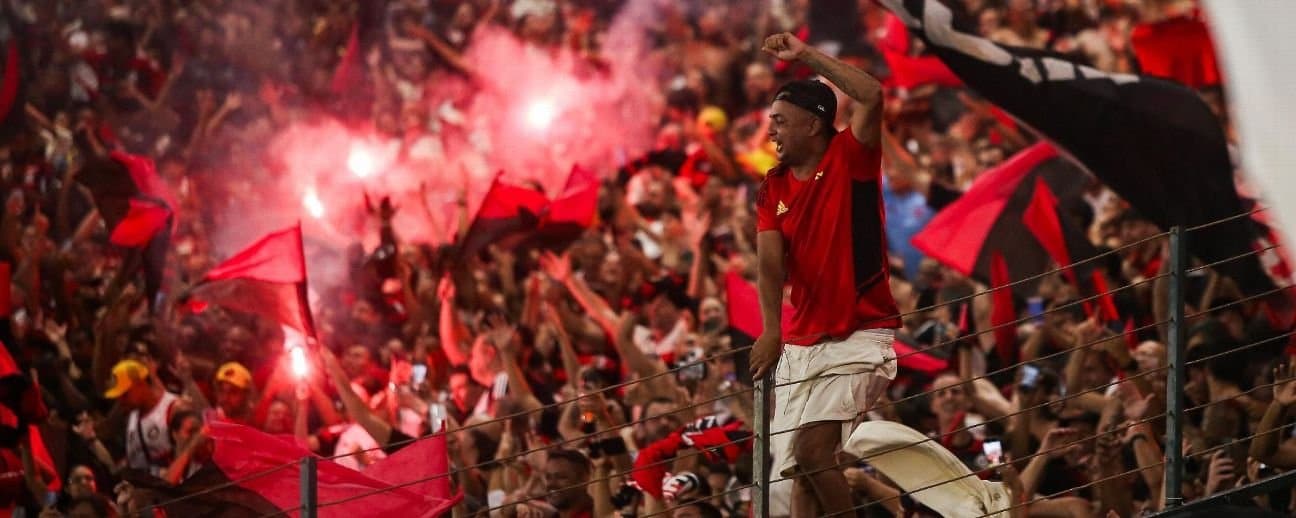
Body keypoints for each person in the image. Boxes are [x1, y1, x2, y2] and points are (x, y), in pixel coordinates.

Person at [749, 32, 898, 517]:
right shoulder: (771, 188)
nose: (771, 131)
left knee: (814, 455)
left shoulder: (851, 157)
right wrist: (771, 330)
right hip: (799, 344)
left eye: (780, 121)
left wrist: (806, 56)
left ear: (814, 125)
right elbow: (770, 265)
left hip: (859, 334)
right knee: (797, 476)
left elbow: (871, 94)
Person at [103, 360, 186, 477]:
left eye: (125, 394)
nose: (120, 402)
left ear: (141, 384)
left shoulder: (174, 408)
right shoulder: (132, 416)